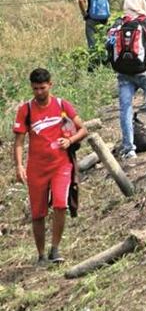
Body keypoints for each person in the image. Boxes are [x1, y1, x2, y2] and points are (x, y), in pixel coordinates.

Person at [11, 68, 88, 265]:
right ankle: (41, 254)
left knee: (61, 204)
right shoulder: (25, 110)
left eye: (42, 88)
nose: (39, 93)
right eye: (35, 89)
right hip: (36, 169)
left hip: (61, 164)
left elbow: (82, 129)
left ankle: (55, 249)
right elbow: (19, 142)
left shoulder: (62, 105)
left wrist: (69, 141)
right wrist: (19, 166)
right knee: (38, 214)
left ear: (50, 85)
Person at [108, 0, 146, 159]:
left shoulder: (117, 24)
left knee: (125, 110)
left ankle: (129, 148)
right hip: (144, 72)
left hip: (123, 73)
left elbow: (109, 44)